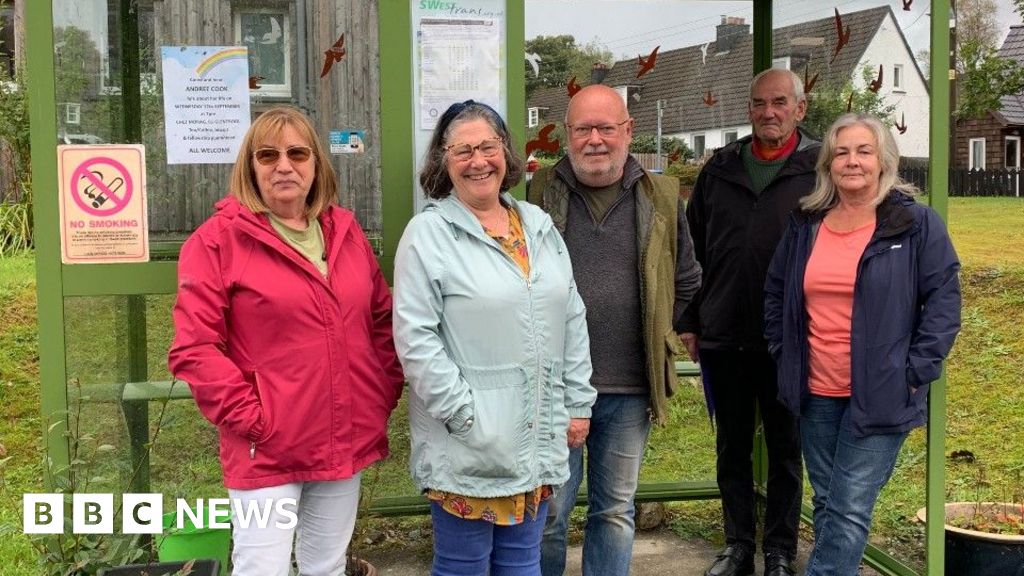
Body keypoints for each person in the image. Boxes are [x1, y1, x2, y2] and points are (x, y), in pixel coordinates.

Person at [168, 106, 404, 576]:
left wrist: (378, 394)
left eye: (297, 153)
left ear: (316, 164)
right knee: (262, 568)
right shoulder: (218, 241)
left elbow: (381, 319)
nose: (284, 165)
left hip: (343, 436)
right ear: (249, 167)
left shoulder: (344, 232)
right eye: (268, 155)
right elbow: (194, 347)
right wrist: (252, 419)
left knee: (327, 566)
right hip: (266, 449)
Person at [392, 100, 597, 576]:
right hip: (470, 443)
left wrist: (578, 402)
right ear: (443, 161)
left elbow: (571, 315)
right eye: (462, 150)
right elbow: (415, 338)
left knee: (523, 562)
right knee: (463, 565)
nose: (478, 160)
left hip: (535, 435)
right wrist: (464, 416)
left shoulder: (538, 226)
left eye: (488, 146)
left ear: (506, 152)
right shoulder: (429, 234)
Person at [764, 113, 961, 576]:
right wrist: (783, 353)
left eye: (864, 151)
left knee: (850, 505)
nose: (852, 161)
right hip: (816, 390)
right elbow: (777, 292)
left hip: (883, 390)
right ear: (828, 165)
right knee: (830, 500)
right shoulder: (806, 223)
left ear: (884, 160)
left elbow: (944, 303)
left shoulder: (913, 224)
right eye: (842, 153)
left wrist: (914, 371)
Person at [531, 84, 702, 576]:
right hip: (556, 388)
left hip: (629, 386)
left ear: (628, 131)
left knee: (614, 511)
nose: (595, 139)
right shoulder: (539, 192)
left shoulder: (663, 197)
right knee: (550, 512)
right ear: (567, 134)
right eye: (583, 128)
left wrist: (657, 334)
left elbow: (686, 279)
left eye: (607, 127)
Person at [680, 68, 818, 576]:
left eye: (780, 102)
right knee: (731, 447)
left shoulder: (818, 167)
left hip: (791, 339)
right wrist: (690, 320)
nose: (768, 113)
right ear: (749, 109)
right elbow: (689, 252)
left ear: (799, 109)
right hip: (723, 335)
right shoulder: (720, 169)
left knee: (786, 448)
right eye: (759, 103)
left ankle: (779, 551)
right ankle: (738, 545)